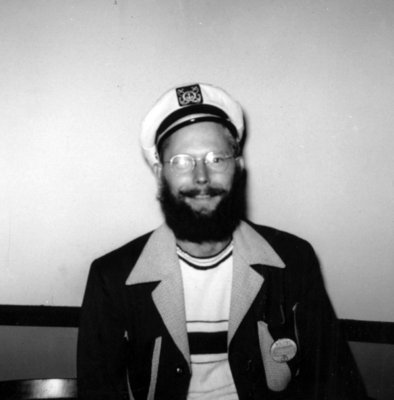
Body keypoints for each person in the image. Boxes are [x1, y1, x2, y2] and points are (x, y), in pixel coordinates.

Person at [77, 83, 367, 400]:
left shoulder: (294, 262)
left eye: (216, 158)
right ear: (160, 174)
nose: (201, 176)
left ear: (238, 168)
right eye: (182, 161)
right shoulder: (112, 279)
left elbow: (336, 386)